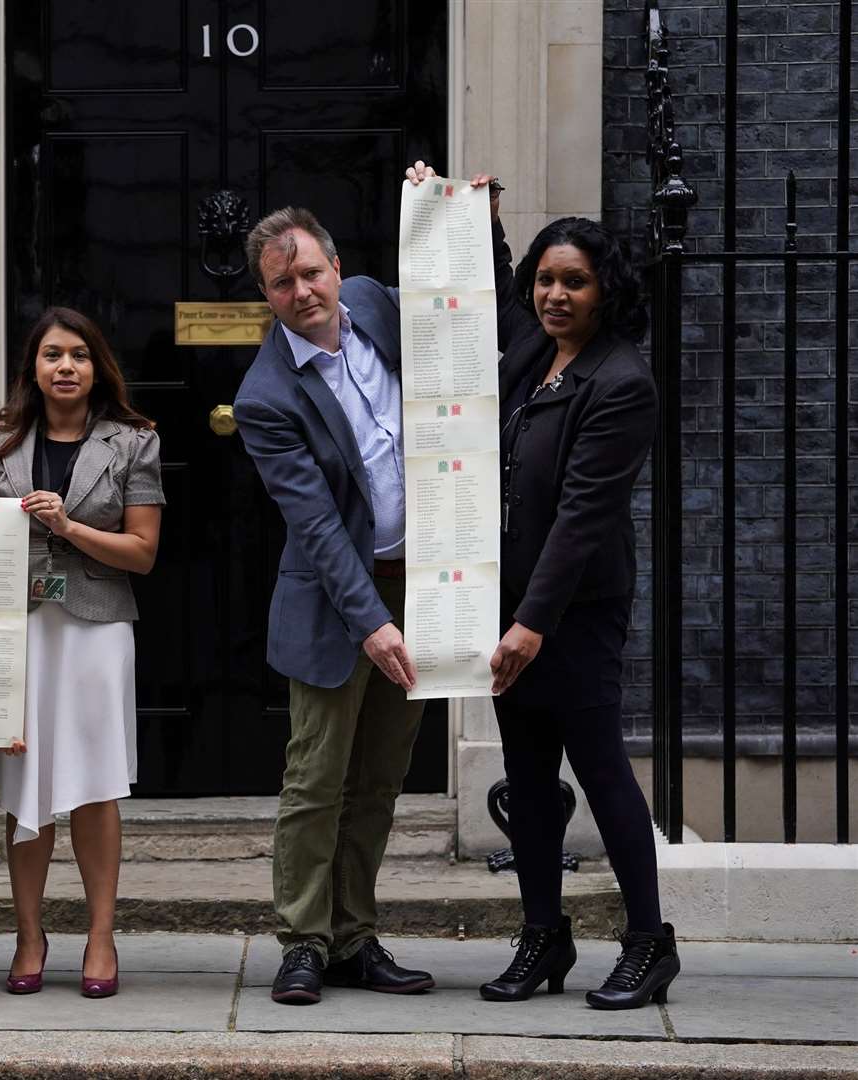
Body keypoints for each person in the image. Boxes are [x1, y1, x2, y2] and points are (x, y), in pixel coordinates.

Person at [232, 173, 499, 1004]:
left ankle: (356, 935)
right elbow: (315, 525)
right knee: (318, 779)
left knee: (381, 777)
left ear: (336, 267)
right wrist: (373, 623)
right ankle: (303, 940)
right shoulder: (265, 398)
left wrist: (468, 216)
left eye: (311, 272)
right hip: (335, 605)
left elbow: (466, 306)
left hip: (422, 589)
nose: (302, 291)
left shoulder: (381, 306)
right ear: (267, 296)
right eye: (283, 282)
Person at [429, 165, 678, 1009]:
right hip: (512, 603)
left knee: (602, 771)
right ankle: (544, 936)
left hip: (573, 613)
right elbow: (489, 298)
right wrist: (478, 220)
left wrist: (532, 624)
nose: (555, 295)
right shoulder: (534, 348)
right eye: (546, 278)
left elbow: (583, 517)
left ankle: (649, 941)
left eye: (575, 281)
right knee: (529, 779)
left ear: (606, 289)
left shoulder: (621, 381)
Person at [0, 307, 164, 999]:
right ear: (34, 366)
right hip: (19, 625)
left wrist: (68, 524)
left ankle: (102, 935)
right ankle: (28, 935)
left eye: (79, 355)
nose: (65, 367)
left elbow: (142, 553)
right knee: (27, 784)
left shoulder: (134, 442)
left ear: (96, 365)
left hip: (97, 624)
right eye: (52, 354)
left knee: (95, 781)